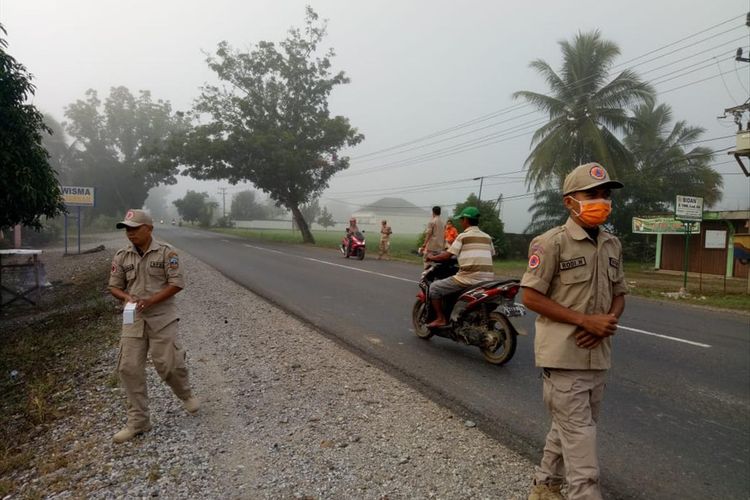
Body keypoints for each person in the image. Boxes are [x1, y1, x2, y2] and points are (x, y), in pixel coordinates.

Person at [521, 163, 627, 500]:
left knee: (567, 429)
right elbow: (530, 296)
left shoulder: (612, 244)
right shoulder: (551, 243)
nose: (602, 201)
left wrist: (605, 322)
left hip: (597, 357)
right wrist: (584, 321)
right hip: (564, 357)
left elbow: (620, 294)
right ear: (570, 202)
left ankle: (544, 487)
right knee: (583, 454)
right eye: (592, 194)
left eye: (605, 195)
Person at [108, 209, 199, 444]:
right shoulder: (121, 256)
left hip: (161, 315)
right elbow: (114, 286)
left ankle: (185, 394)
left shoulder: (167, 253)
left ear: (149, 228)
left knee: (167, 363)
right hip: (134, 317)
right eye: (127, 229)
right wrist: (126, 297)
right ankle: (138, 422)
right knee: (128, 367)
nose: (130, 234)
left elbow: (177, 283)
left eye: (135, 229)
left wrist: (151, 300)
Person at [424, 206, 494, 328]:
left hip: (468, 278)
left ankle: (441, 319)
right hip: (488, 280)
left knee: (434, 288)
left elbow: (446, 256)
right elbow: (490, 253)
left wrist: (431, 257)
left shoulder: (463, 236)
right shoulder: (487, 237)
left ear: (466, 220)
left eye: (462, 219)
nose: (461, 222)